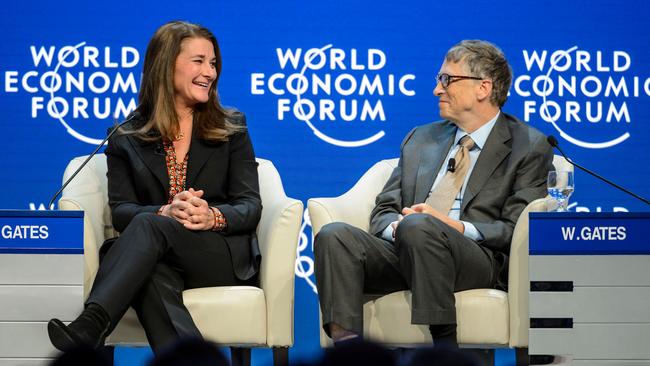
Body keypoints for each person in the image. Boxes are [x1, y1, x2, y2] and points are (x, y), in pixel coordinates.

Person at [314, 40, 554, 348]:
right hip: (408, 247)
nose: (437, 90)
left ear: (483, 88)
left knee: (421, 226)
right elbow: (384, 210)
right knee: (334, 236)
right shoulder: (421, 138)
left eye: (447, 80)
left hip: (475, 258)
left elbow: (515, 227)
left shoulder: (529, 146)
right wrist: (398, 227)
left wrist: (452, 227)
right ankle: (349, 352)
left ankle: (444, 349)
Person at [48, 20, 261, 353]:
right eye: (199, 61)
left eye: (213, 63)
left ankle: (93, 322)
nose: (210, 72)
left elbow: (250, 206)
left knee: (145, 229)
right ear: (166, 65)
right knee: (149, 272)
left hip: (215, 254)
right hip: (153, 255)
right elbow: (121, 212)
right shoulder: (125, 136)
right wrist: (165, 211)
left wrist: (212, 217)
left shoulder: (231, 127)